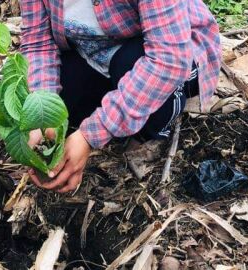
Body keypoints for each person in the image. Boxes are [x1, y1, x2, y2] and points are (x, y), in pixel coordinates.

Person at [21, 0, 222, 193]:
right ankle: (118, 108)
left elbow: (168, 60)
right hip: (96, 54)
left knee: (131, 67)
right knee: (67, 94)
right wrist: (43, 116)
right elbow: (38, 43)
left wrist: (91, 135)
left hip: (170, 52)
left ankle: (154, 127)